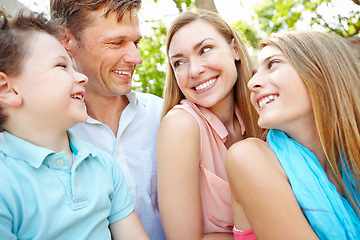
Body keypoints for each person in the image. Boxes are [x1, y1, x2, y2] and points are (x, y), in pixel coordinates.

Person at [0, 11, 149, 240]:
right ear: (7, 89)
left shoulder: (104, 166)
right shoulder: (6, 181)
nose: (81, 78)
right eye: (61, 66)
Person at [226, 30, 360, 240]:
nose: (251, 84)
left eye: (272, 64)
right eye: (253, 74)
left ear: (323, 70)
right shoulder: (248, 156)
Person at [50, 1, 165, 239]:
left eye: (136, 43)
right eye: (116, 43)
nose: (136, 58)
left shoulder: (163, 115)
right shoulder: (46, 134)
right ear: (66, 40)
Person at [156, 9, 263, 239]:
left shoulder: (260, 116)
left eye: (205, 50)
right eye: (179, 63)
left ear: (235, 49)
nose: (194, 70)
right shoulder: (181, 126)